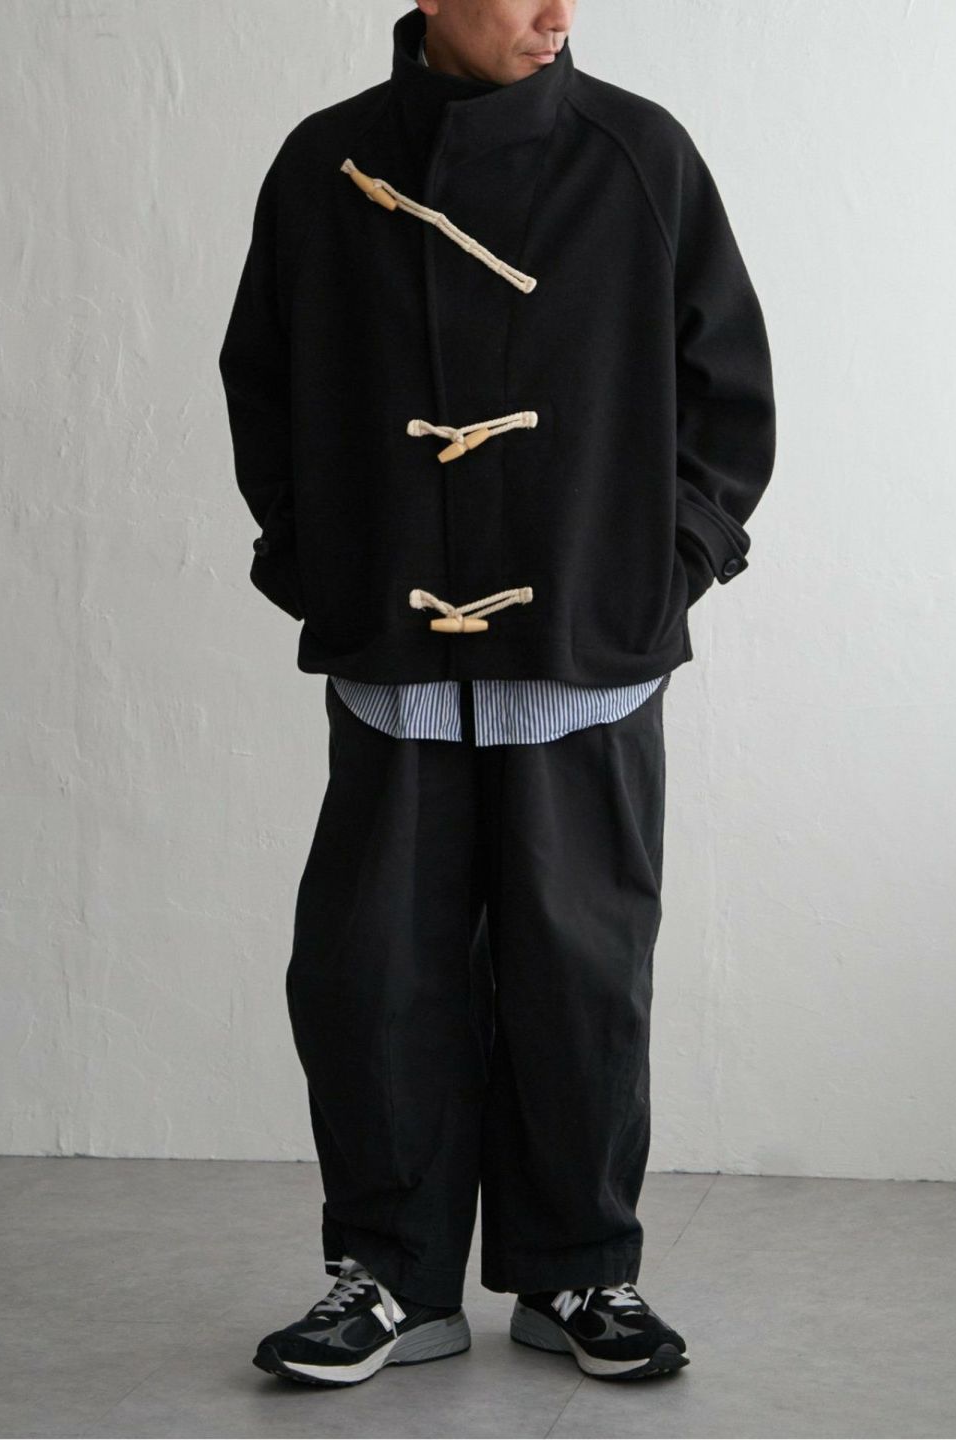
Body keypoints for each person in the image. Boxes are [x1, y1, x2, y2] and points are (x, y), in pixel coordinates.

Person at [218, 0, 776, 1389]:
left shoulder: (640, 154)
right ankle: (390, 1280)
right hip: (396, 653)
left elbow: (728, 392)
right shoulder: (326, 164)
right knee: (368, 973)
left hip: (587, 652)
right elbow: (263, 383)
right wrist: (320, 567)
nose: (557, 15)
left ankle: (583, 1270)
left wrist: (662, 571)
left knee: (582, 974)